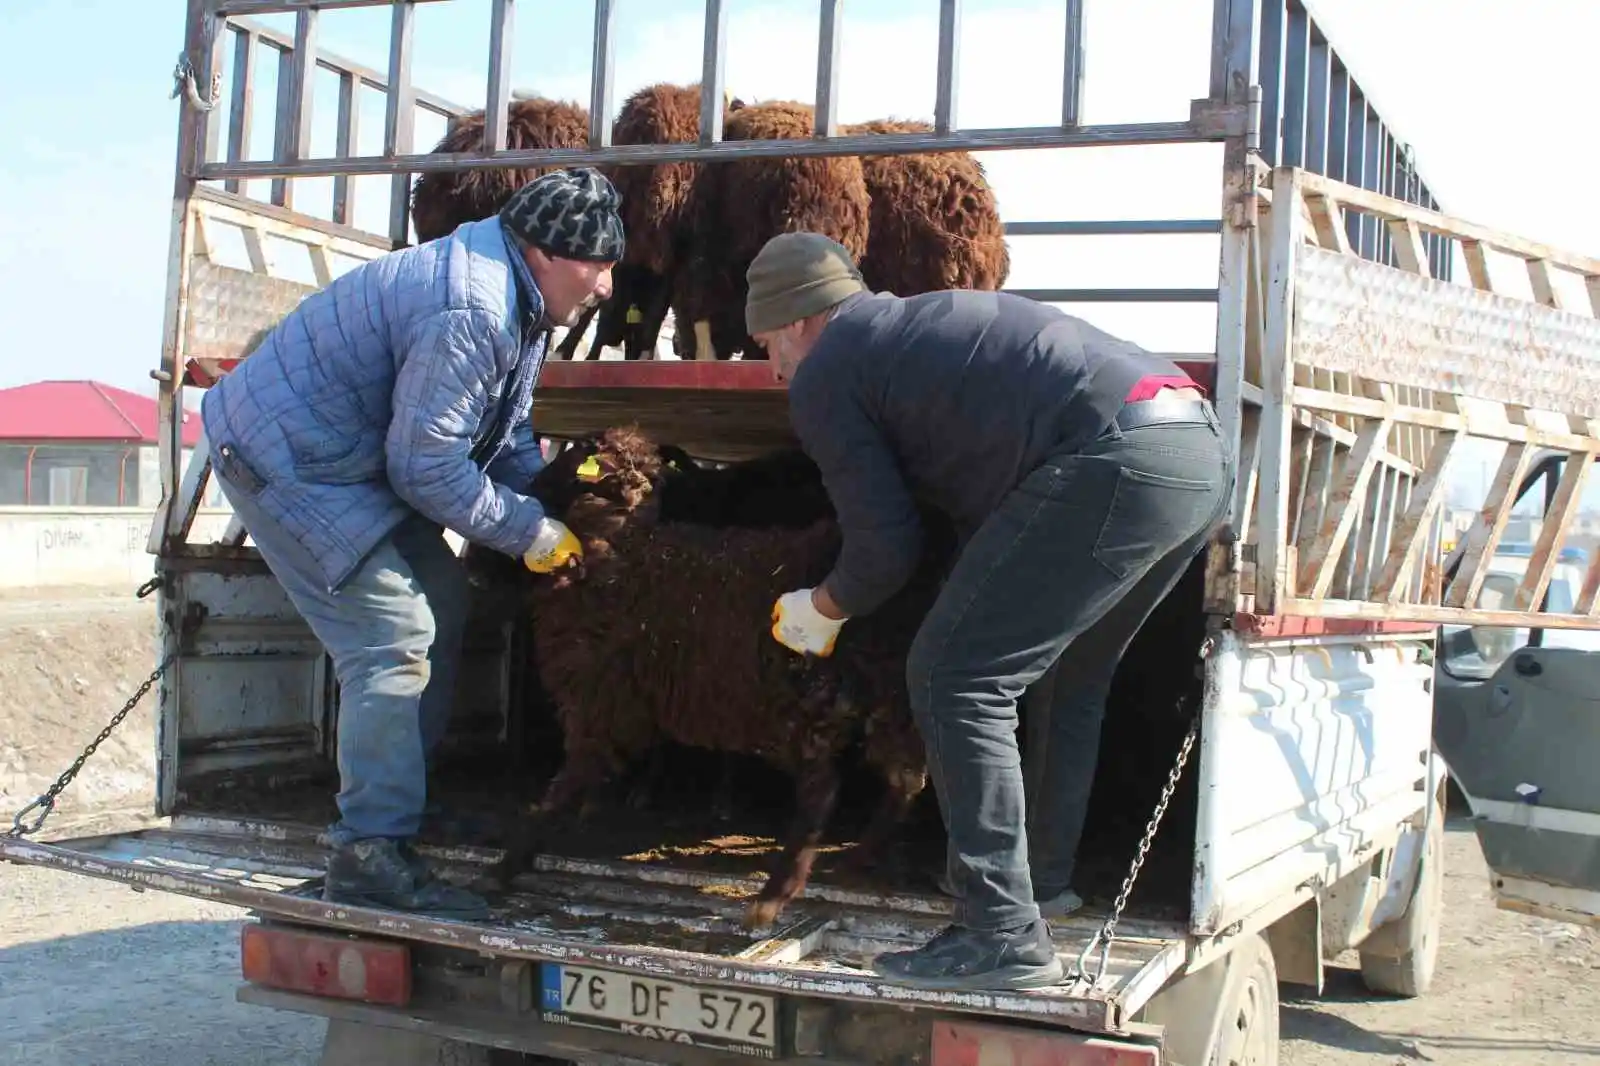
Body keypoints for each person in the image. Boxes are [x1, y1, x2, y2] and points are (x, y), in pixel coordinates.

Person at [752, 232, 1231, 991]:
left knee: (955, 676)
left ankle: (1001, 935)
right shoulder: (915, 331)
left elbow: (885, 549)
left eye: (766, 346)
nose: (772, 368)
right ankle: (1038, 888)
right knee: (1069, 673)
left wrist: (821, 606)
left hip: (1114, 459)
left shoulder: (828, 369)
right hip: (1195, 451)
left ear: (794, 322)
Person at [200, 167, 624, 920]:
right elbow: (425, 466)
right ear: (546, 253)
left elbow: (500, 428)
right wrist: (529, 531)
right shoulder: (473, 306)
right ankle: (369, 854)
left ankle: (401, 816)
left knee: (446, 602)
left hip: (346, 455)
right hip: (287, 458)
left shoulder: (513, 296)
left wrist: (549, 498)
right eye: (599, 265)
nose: (606, 288)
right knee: (395, 636)